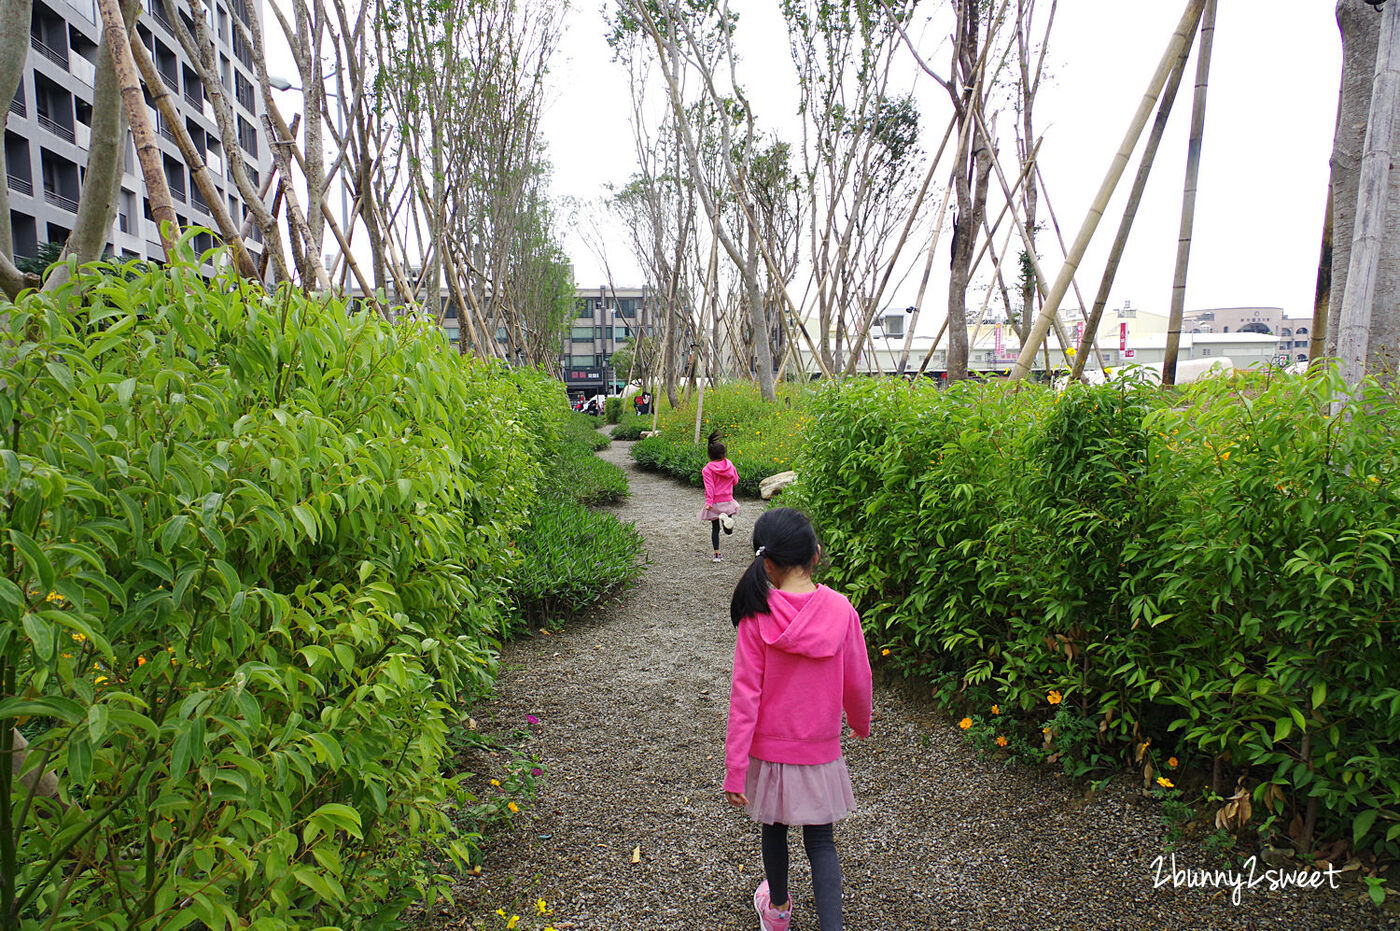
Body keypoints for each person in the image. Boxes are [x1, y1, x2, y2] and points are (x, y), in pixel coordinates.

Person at [724, 508, 872, 931]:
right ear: (816, 555)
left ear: (765, 563)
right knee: (821, 840)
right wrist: (860, 723)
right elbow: (858, 678)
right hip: (819, 749)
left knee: (774, 829)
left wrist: (736, 770)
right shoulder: (842, 611)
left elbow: (744, 697)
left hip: (770, 751)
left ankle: (778, 911)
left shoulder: (757, 616)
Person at [697, 431, 740, 562]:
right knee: (727, 529)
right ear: (724, 454)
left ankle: (717, 554)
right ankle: (728, 525)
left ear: (709, 455)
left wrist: (709, 503)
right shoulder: (729, 465)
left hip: (715, 502)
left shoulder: (707, 469)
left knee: (715, 528)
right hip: (727, 500)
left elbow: (710, 487)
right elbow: (735, 480)